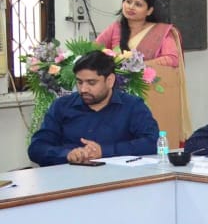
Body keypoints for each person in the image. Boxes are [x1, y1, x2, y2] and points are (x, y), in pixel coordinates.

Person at [95, 0, 192, 147]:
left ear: (149, 10)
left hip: (149, 93)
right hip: (116, 94)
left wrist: (137, 65)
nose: (131, 7)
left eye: (138, 4)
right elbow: (93, 49)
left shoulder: (161, 32)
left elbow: (172, 59)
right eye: (128, 2)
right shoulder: (115, 28)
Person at [27, 51, 159, 166]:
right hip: (69, 178)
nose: (83, 89)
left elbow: (153, 142)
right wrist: (67, 154)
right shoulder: (61, 106)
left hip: (117, 179)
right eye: (79, 82)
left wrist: (104, 151)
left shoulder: (132, 106)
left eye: (91, 83)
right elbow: (37, 148)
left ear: (110, 81)